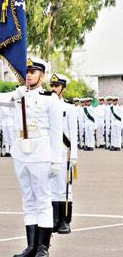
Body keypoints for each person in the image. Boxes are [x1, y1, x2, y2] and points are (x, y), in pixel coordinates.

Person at [0, 58, 63, 257]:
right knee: (28, 199)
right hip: (21, 152)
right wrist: (15, 94)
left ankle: (43, 246)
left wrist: (57, 161)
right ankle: (31, 245)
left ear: (42, 75)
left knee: (42, 198)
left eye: (33, 71)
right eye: (27, 71)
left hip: (41, 151)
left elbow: (57, 132)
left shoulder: (50, 98)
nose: (29, 75)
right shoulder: (18, 95)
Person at [48, 74, 78, 234]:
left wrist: (73, 154)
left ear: (63, 88)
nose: (53, 89)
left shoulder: (69, 107)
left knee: (65, 187)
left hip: (64, 152)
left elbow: (73, 133)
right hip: (50, 153)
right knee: (52, 187)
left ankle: (65, 221)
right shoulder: (47, 106)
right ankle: (54, 219)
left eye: (57, 86)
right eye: (52, 85)